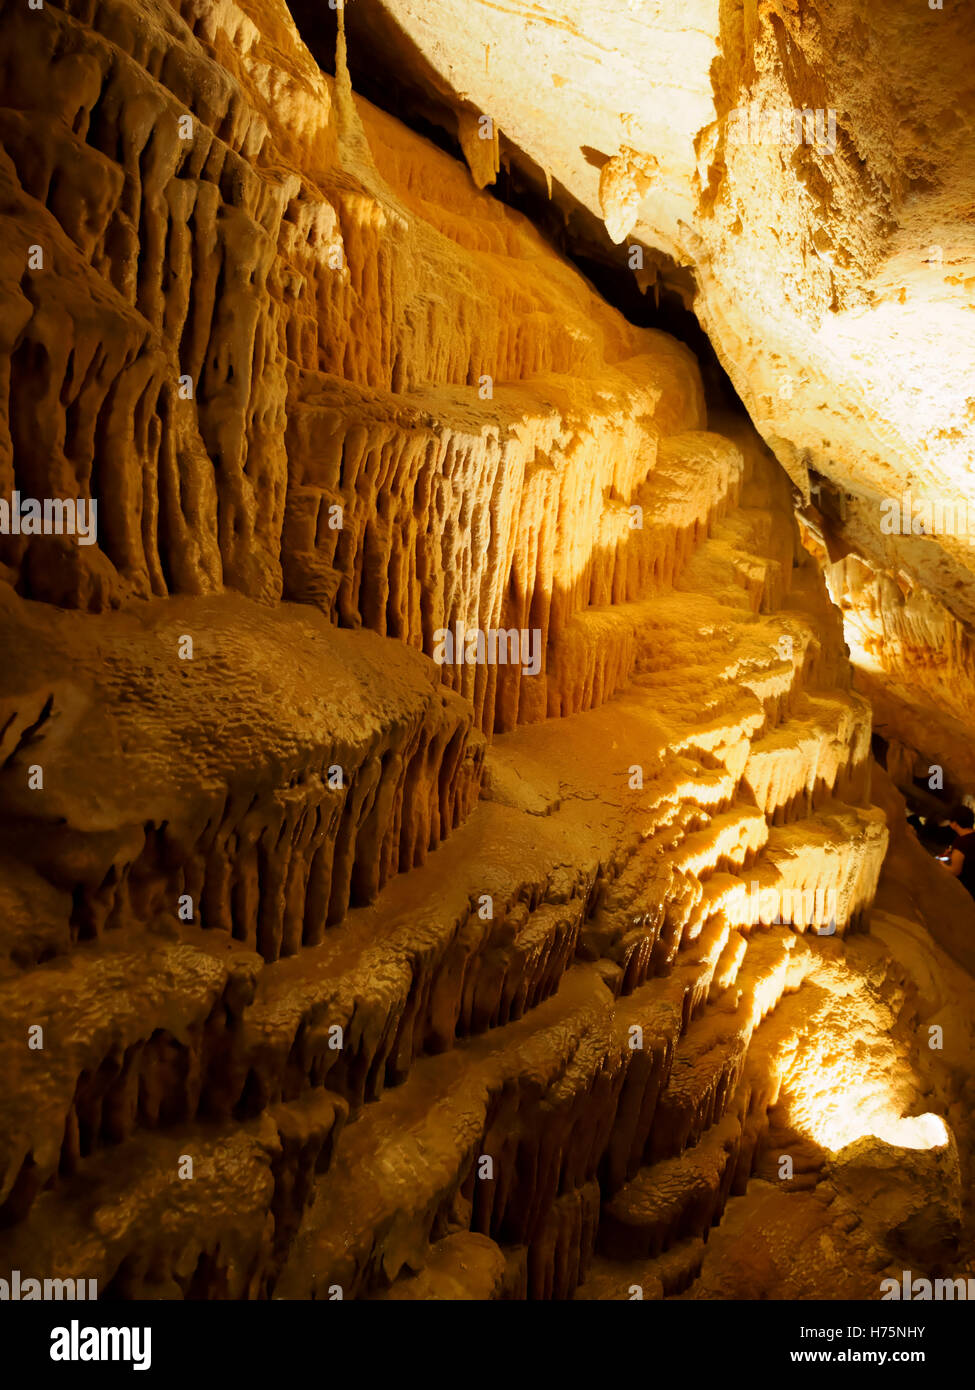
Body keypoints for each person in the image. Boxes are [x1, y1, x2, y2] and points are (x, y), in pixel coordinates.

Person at [942, 804, 975, 898]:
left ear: (955, 824)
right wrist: (952, 855)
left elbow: (955, 871)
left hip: (968, 892)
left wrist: (940, 864)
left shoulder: (961, 843)